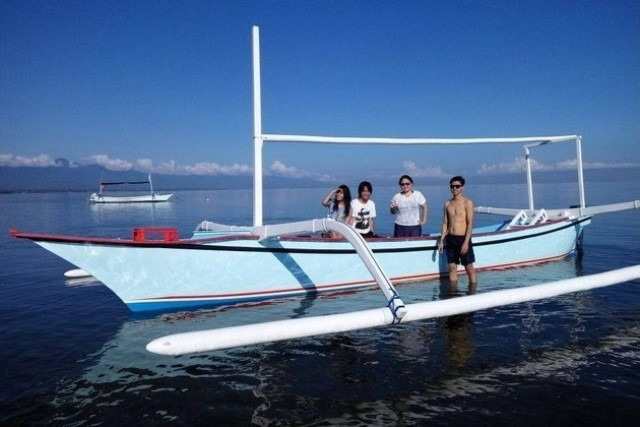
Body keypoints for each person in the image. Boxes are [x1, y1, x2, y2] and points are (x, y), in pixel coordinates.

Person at [437, 176, 477, 286]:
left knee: (468, 266)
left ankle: (473, 291)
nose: (454, 188)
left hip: (463, 238)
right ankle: (453, 293)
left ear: (462, 188)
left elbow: (470, 224)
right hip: (450, 239)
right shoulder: (447, 203)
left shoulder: (467, 203)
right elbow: (445, 222)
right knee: (452, 267)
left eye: (457, 186)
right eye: (452, 186)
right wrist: (441, 240)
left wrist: (466, 242)